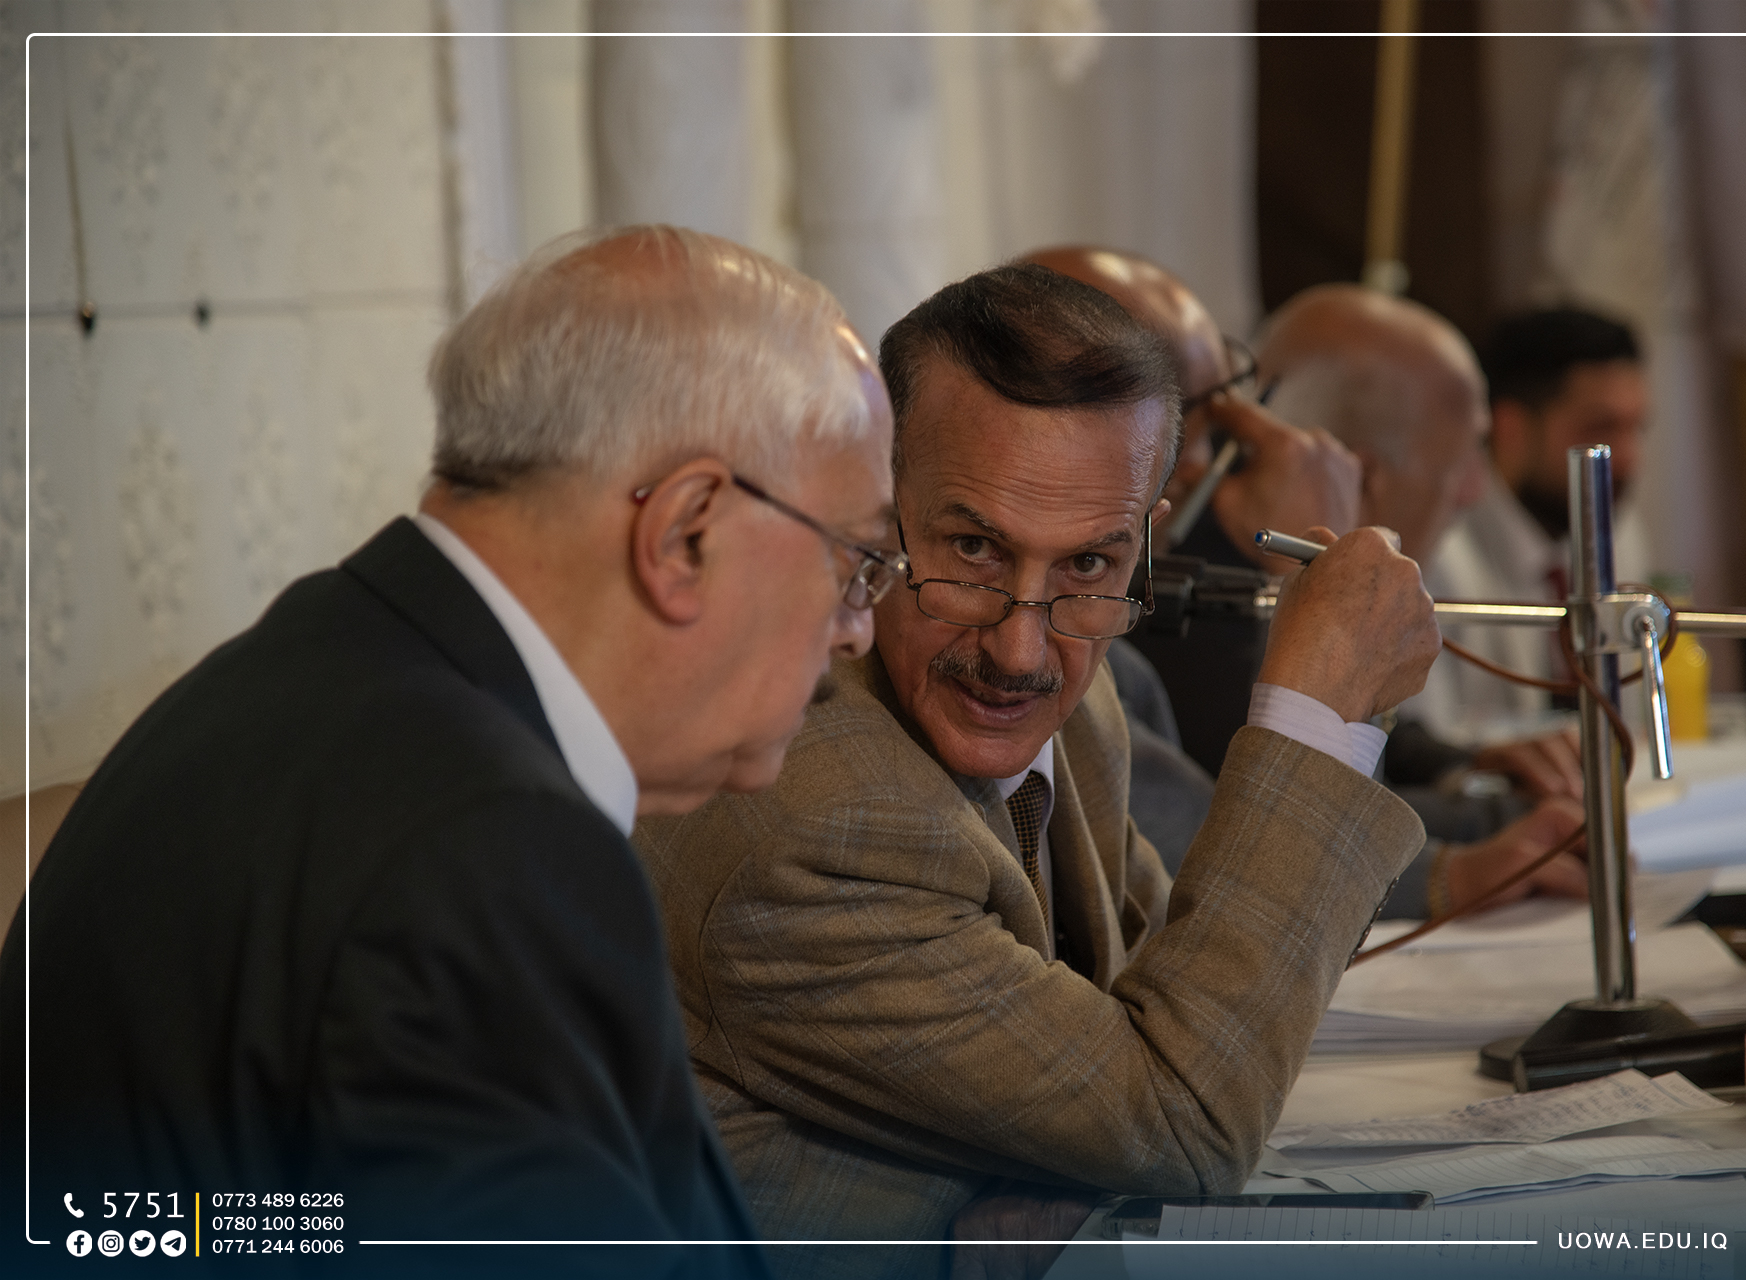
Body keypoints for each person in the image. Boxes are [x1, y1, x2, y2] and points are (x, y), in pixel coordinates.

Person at [0, 226, 899, 1275]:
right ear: (684, 533)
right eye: (857, 559)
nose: (858, 628)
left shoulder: (317, 666)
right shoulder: (489, 847)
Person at [633, 263, 1438, 1279]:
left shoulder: (1083, 704)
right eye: (973, 548)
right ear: (877, 510)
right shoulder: (819, 820)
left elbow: (1180, 1011)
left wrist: (1087, 1164)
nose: (1019, 652)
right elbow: (1186, 1118)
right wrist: (1316, 721)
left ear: (1145, 543)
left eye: (1088, 563)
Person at [1020, 246, 1363, 867]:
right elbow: (1247, 865)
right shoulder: (1060, 639)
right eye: (1195, 423)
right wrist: (1321, 588)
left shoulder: (1123, 657)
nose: (1205, 464)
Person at [1256, 285, 1591, 915]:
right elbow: (1254, 836)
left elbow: (1379, 749)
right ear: (1362, 473)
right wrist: (1460, 865)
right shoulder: (1231, 607)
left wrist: (1471, 768)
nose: (1473, 492)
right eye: (1462, 460)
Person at [1408, 306, 1650, 741]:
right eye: (1600, 428)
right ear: (1511, 427)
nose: (1628, 458)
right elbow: (1426, 745)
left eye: (1636, 428)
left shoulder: (1619, 529)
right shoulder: (1436, 555)